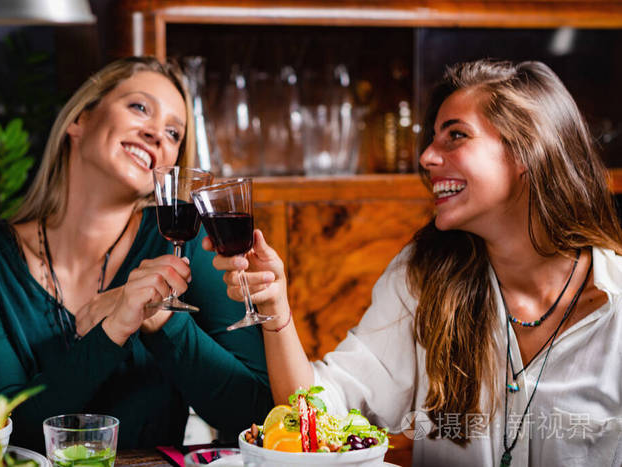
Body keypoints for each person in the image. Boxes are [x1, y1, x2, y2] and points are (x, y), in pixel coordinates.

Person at [206, 59, 622, 466]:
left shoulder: (615, 308)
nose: (425, 157)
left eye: (455, 136)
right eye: (433, 138)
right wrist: (276, 311)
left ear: (528, 149)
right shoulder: (423, 277)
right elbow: (320, 414)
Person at [0, 56, 273, 451]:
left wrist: (162, 323)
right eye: (139, 108)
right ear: (78, 119)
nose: (157, 134)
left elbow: (258, 416)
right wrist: (114, 329)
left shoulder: (185, 246)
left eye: (173, 133)